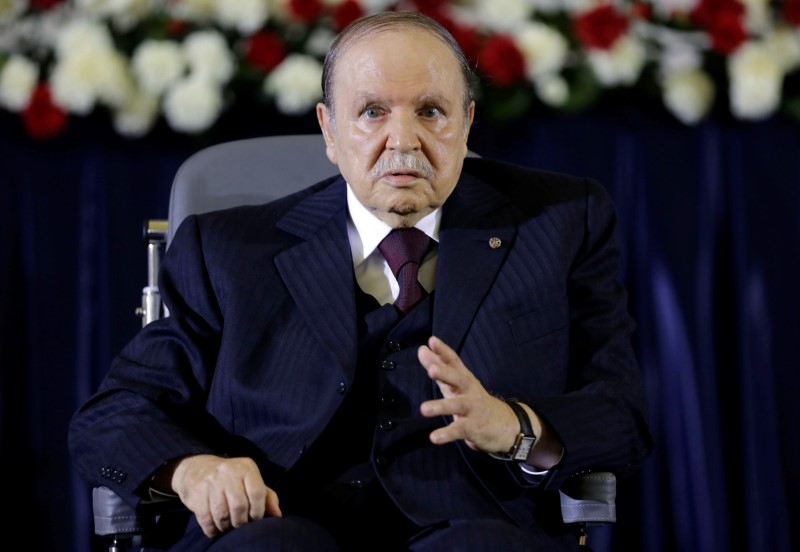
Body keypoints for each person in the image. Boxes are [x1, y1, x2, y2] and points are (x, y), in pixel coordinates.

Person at [69, 10, 653, 552]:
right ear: (329, 130)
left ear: (467, 123)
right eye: (373, 112)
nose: (403, 141)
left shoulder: (559, 223)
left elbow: (620, 418)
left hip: (474, 524)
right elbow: (114, 414)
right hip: (276, 524)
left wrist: (518, 428)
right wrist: (196, 471)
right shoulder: (228, 250)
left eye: (430, 111)